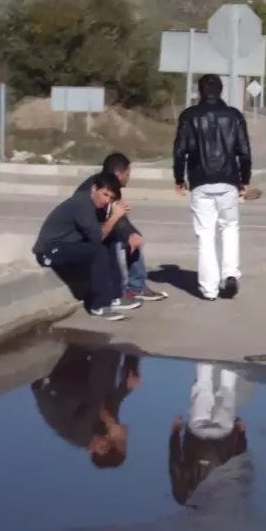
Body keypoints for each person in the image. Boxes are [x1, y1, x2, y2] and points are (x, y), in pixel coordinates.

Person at [172, 73, 252, 301]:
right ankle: (229, 274)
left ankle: (209, 289)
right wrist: (244, 181)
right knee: (230, 228)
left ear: (199, 92)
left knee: (205, 234)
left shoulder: (189, 116)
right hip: (228, 180)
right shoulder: (234, 116)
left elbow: (179, 152)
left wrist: (179, 179)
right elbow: (244, 152)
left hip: (199, 182)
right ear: (222, 92)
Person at [32, 171, 142, 320]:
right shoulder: (82, 204)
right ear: (93, 189)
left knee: (110, 241)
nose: (106, 200)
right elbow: (97, 238)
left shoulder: (96, 204)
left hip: (70, 244)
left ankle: (115, 296)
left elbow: (103, 231)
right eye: (104, 194)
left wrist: (129, 233)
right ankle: (99, 306)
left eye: (111, 197)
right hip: (50, 251)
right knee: (98, 249)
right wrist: (115, 216)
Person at [75, 152, 168, 304]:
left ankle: (136, 287)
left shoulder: (109, 184)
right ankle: (116, 292)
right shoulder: (99, 187)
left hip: (97, 228)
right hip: (83, 234)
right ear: (119, 174)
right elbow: (98, 220)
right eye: (127, 173)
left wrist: (130, 234)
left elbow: (117, 216)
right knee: (112, 243)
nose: (129, 177)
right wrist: (126, 233)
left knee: (133, 238)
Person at [32, 346, 141, 468]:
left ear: (102, 448)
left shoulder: (80, 435)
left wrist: (111, 423)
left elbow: (96, 405)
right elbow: (112, 400)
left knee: (102, 388)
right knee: (128, 383)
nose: (123, 436)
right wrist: (130, 378)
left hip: (51, 380)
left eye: (120, 442)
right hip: (74, 372)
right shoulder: (102, 426)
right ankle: (123, 343)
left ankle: (109, 344)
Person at [168, 362, 250, 505]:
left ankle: (231, 352)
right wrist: (175, 434)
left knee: (227, 390)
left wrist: (241, 434)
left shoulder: (226, 499)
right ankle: (208, 355)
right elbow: (175, 464)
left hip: (222, 436)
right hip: (198, 434)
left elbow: (240, 464)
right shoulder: (183, 497)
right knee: (203, 386)